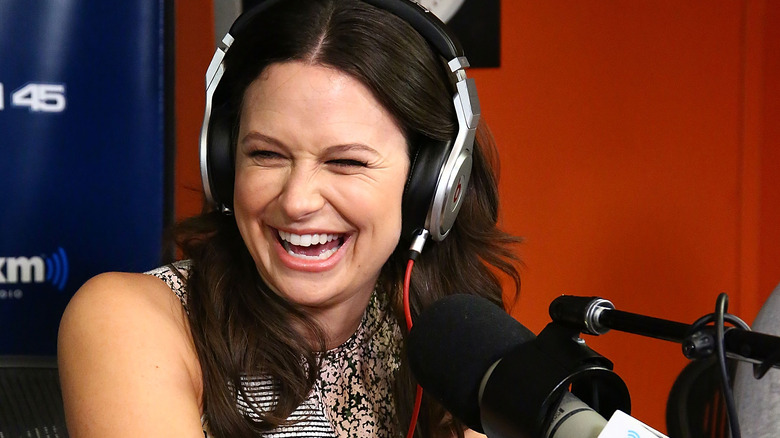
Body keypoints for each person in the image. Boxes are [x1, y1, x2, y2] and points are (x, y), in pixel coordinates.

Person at [57, 1, 522, 437]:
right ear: (223, 162)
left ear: (432, 183)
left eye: (346, 162)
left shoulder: (450, 343)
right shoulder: (131, 319)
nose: (297, 201)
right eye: (266, 154)